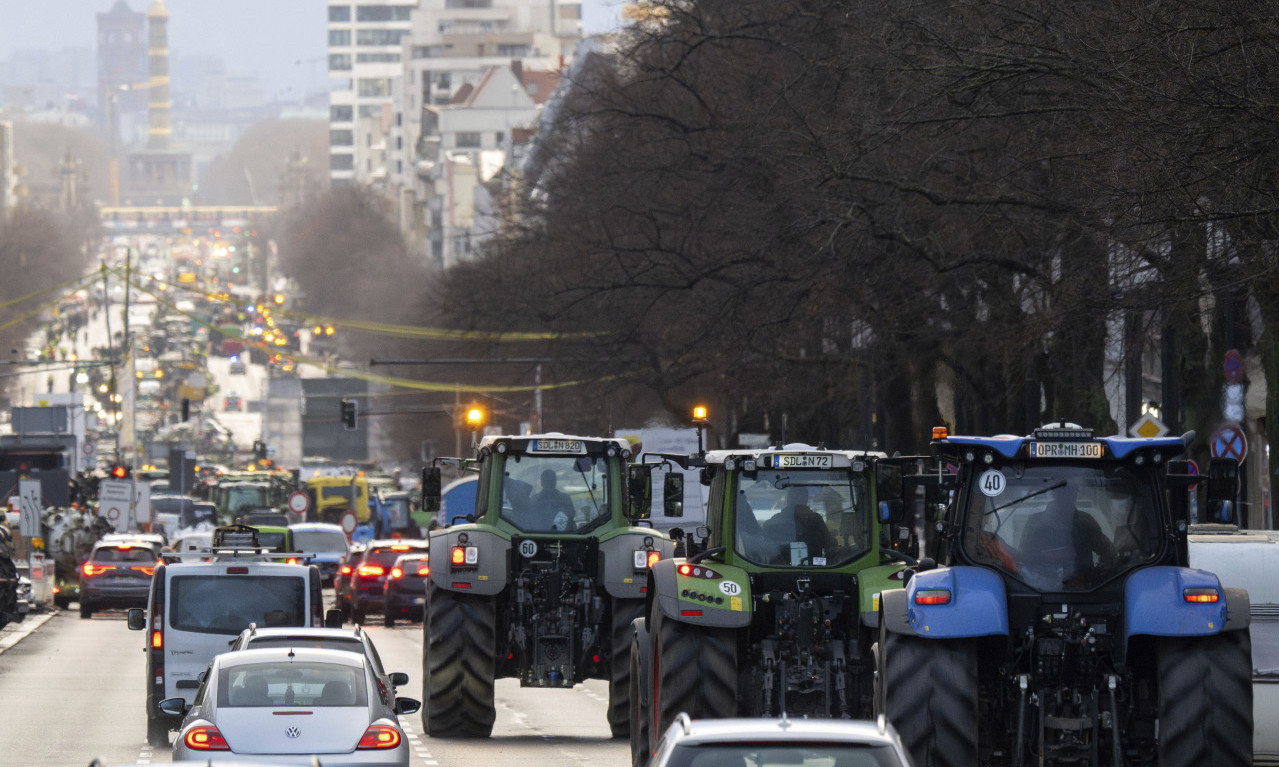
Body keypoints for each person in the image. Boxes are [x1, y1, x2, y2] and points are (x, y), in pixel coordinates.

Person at [760, 485, 837, 564]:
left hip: (780, 570)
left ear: (788, 499)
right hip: (815, 569)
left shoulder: (774, 521)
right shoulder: (816, 519)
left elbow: (762, 547)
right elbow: (830, 545)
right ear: (806, 499)